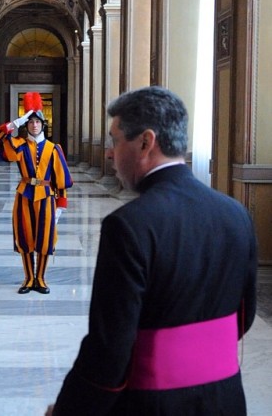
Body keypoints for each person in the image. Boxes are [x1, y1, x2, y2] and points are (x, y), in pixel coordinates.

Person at [47, 86, 257, 415]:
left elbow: (110, 349)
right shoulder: (236, 213)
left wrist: (68, 410)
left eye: (115, 140)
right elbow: (243, 316)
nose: (109, 153)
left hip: (151, 404)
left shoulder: (128, 225)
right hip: (225, 397)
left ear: (145, 142)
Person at [0, 92, 73, 294]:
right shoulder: (19, 145)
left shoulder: (53, 149)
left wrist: (60, 206)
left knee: (45, 239)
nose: (34, 125)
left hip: (46, 196)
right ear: (27, 124)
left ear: (43, 124)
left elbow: (60, 180)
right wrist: (15, 123)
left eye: (37, 122)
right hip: (24, 194)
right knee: (25, 237)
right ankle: (28, 278)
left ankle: (41, 278)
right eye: (31, 122)